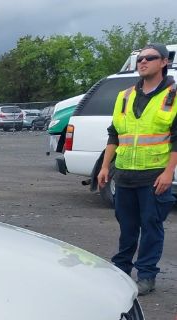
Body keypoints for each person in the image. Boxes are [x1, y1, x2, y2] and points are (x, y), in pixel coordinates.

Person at [98, 43, 177, 295]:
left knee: (151, 227)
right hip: (124, 174)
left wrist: (168, 172)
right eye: (140, 58)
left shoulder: (172, 95)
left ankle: (146, 275)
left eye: (149, 58)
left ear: (164, 62)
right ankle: (121, 269)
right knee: (127, 226)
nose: (142, 62)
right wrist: (105, 166)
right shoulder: (125, 96)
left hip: (154, 175)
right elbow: (114, 134)